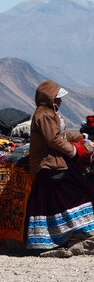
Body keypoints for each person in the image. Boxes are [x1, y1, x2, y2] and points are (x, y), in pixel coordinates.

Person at [26, 80, 94, 250]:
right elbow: (53, 139)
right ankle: (65, 235)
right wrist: (74, 151)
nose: (60, 101)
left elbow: (62, 134)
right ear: (50, 98)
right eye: (58, 98)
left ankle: (73, 233)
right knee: (71, 195)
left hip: (58, 162)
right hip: (49, 164)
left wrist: (81, 137)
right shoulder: (44, 114)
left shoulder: (51, 113)